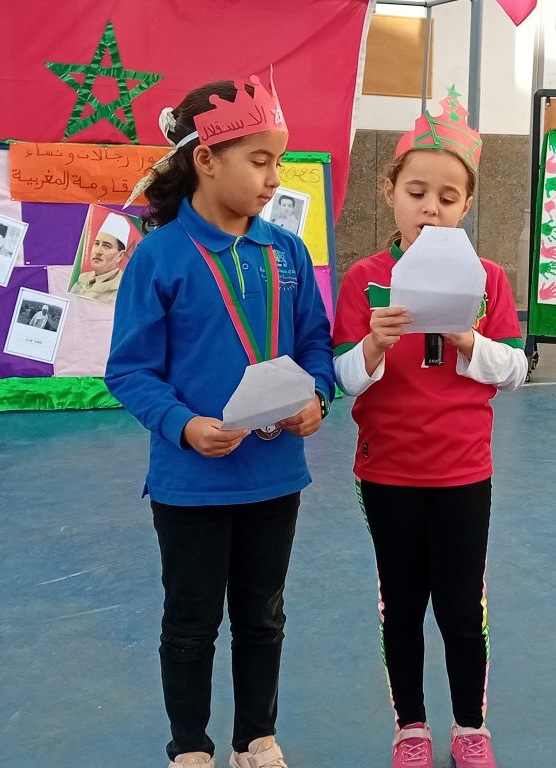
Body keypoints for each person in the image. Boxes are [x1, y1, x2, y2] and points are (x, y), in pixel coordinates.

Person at [104, 74, 334, 768]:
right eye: (260, 161)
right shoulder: (160, 256)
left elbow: (315, 344)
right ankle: (190, 747)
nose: (274, 179)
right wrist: (183, 425)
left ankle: (254, 738)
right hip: (192, 483)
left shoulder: (286, 252)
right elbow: (129, 370)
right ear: (206, 159)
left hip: (274, 476)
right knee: (191, 621)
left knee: (263, 616)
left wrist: (317, 397)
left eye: (278, 162)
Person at [332, 88, 526, 768]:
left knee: (462, 606)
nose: (430, 208)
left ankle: (471, 727)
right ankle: (410, 726)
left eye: (448, 197)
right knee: (403, 602)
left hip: (463, 470)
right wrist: (374, 346)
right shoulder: (365, 280)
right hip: (387, 470)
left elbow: (514, 369)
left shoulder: (487, 279)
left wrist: (470, 340)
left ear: (466, 205)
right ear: (389, 192)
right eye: (416, 192)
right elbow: (344, 379)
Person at [69, 211, 130, 303]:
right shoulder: (82, 281)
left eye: (106, 246)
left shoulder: (123, 290)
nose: (98, 251)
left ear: (120, 256)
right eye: (96, 243)